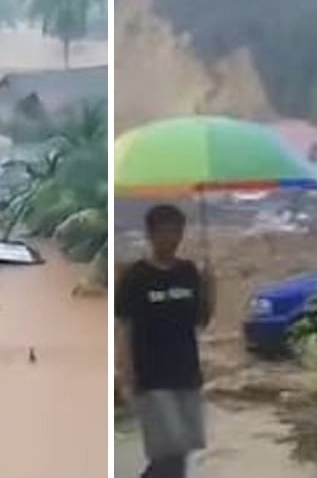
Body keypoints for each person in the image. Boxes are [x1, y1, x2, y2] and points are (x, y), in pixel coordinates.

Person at [116, 204, 216, 478]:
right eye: (164, 231)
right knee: (168, 449)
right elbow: (124, 326)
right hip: (152, 376)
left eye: (176, 231)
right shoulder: (136, 277)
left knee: (182, 450)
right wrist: (126, 375)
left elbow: (201, 321)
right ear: (150, 234)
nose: (171, 238)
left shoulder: (188, 271)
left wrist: (210, 289)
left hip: (186, 372)